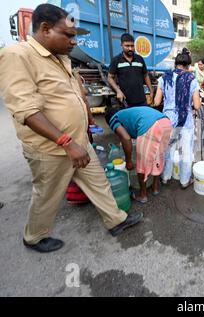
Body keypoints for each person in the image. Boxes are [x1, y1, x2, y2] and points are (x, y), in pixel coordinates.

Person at [0, 4, 143, 253]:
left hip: (77, 142)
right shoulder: (18, 55)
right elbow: (27, 111)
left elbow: (74, 97)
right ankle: (34, 236)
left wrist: (85, 125)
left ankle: (116, 220)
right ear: (45, 29)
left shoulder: (61, 59)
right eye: (68, 35)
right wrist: (66, 142)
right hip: (51, 149)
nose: (74, 41)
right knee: (47, 195)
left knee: (99, 183)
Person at [154, 48, 201, 189]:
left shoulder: (163, 78)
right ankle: (184, 181)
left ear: (175, 64)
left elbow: (156, 102)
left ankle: (165, 177)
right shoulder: (191, 79)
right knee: (186, 150)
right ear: (188, 66)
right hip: (185, 120)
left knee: (168, 149)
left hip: (167, 119)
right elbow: (197, 105)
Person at [105, 107, 172, 202]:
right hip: (166, 123)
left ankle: (143, 195)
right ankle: (155, 188)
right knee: (158, 157)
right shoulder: (127, 113)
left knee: (142, 161)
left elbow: (126, 138)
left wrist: (128, 161)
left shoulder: (113, 118)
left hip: (151, 125)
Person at [108, 33, 154, 107]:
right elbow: (110, 77)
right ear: (121, 45)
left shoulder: (140, 59)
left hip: (141, 100)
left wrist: (151, 90)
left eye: (132, 46)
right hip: (125, 101)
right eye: (127, 46)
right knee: (128, 118)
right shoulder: (116, 60)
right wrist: (118, 91)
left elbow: (145, 75)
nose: (130, 48)